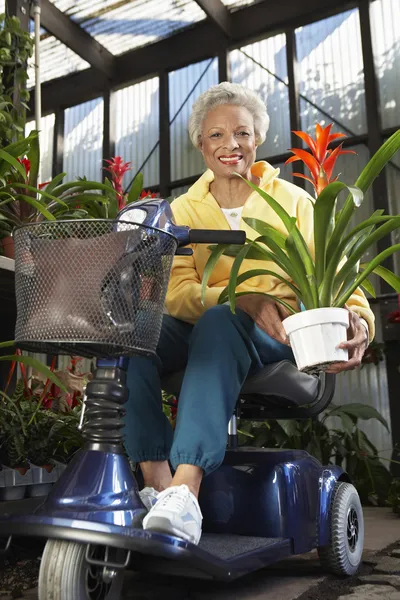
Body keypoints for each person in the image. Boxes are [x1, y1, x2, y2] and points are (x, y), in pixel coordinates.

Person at [125, 82, 374, 545]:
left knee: (222, 322)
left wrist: (359, 320)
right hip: (208, 329)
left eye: (242, 132)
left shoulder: (295, 201)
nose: (230, 145)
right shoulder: (180, 211)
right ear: (201, 144)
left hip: (280, 334)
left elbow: (341, 276)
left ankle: (187, 488)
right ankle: (157, 480)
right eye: (216, 135)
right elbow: (175, 291)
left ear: (257, 138)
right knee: (133, 332)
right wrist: (237, 298)